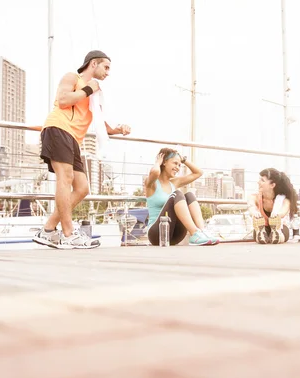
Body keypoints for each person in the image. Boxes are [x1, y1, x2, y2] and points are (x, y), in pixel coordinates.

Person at [33, 50, 131, 249]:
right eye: (106, 67)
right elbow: (63, 100)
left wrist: (119, 129)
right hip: (58, 128)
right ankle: (68, 233)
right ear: (93, 64)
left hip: (73, 140)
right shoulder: (73, 78)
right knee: (65, 178)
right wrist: (88, 89)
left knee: (82, 188)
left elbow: (103, 125)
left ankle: (49, 229)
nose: (108, 72)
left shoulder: (95, 93)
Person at [144, 148, 219, 246]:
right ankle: (194, 233)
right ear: (164, 162)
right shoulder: (151, 184)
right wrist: (158, 162)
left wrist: (183, 159)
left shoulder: (174, 183)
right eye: (175, 163)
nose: (178, 168)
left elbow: (198, 173)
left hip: (175, 235)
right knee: (178, 194)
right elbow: (154, 172)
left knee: (189, 195)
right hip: (157, 234)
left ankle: (201, 232)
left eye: (179, 165)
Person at [247, 168, 298, 244]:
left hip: (280, 226)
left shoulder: (284, 200)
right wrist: (254, 213)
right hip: (264, 225)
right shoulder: (254, 197)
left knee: (282, 231)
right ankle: (261, 233)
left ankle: (277, 233)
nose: (258, 182)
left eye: (262, 180)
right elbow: (251, 207)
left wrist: (276, 215)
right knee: (257, 231)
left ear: (272, 185)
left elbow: (283, 211)